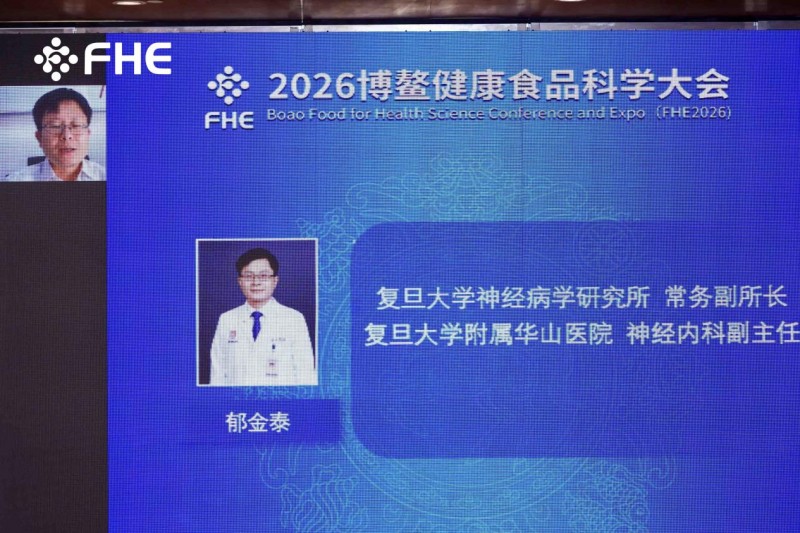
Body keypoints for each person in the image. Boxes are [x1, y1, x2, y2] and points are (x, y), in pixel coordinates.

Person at [209, 248, 316, 386]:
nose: (256, 282)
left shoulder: (294, 319)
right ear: (240, 281)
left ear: (275, 281)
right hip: (237, 398)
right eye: (248, 276)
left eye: (263, 276)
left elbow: (305, 373)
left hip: (279, 398)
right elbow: (217, 372)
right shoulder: (226, 319)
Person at [3, 88, 105, 182]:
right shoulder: (15, 182)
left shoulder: (107, 178)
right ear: (39, 138)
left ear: (88, 134)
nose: (67, 135)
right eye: (55, 126)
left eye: (76, 125)